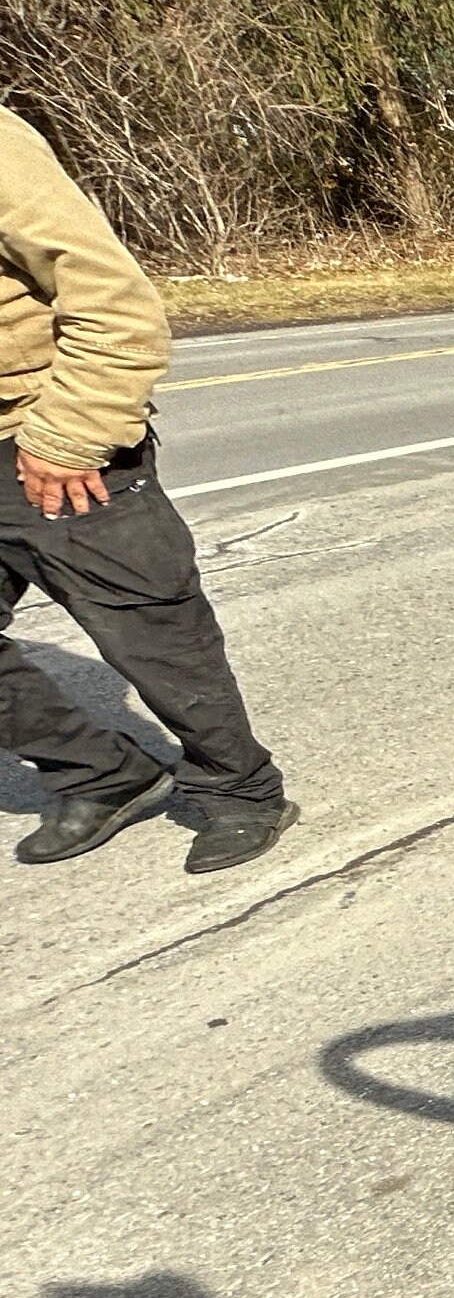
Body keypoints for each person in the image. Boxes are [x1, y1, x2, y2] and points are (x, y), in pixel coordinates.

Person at [2, 104, 293, 873]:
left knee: (153, 637)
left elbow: (115, 303)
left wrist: (67, 435)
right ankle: (102, 776)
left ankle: (240, 789)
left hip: (46, 440)